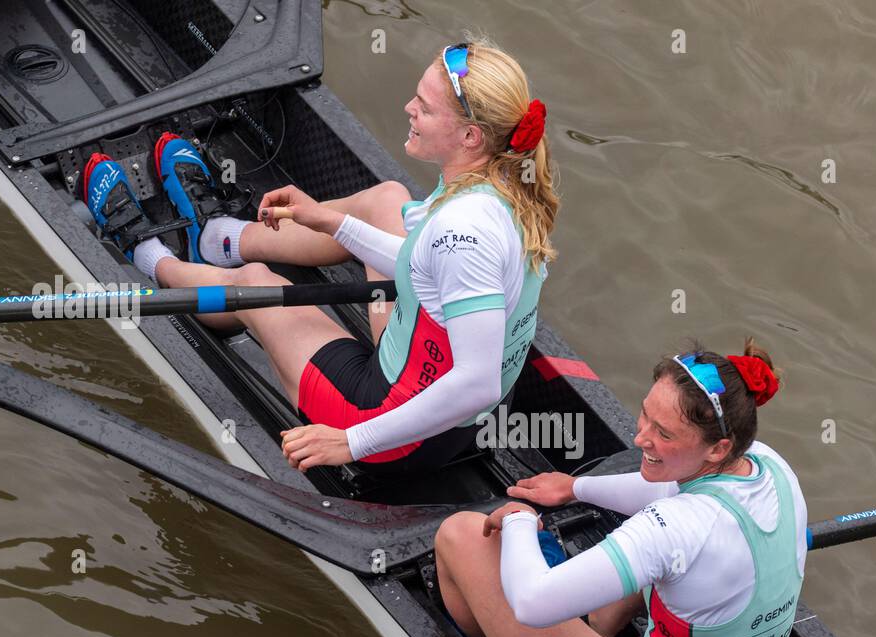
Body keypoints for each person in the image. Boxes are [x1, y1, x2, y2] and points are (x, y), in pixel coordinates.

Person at [82, 37, 557, 472]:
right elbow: (422, 268)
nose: (408, 107)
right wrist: (333, 223)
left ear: (471, 136)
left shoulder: (463, 232)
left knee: (259, 284)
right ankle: (217, 237)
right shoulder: (505, 182)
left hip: (391, 425)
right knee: (386, 199)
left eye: (426, 108)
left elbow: (477, 383)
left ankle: (149, 253)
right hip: (460, 413)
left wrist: (352, 441)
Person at [434, 341, 808, 637]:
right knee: (667, 568)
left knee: (459, 535)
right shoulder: (771, 466)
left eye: (664, 434)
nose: (640, 437)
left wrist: (519, 520)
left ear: (718, 449)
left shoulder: (673, 528)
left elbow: (532, 603)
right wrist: (574, 488)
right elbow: (666, 489)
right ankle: (586, 633)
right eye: (646, 414)